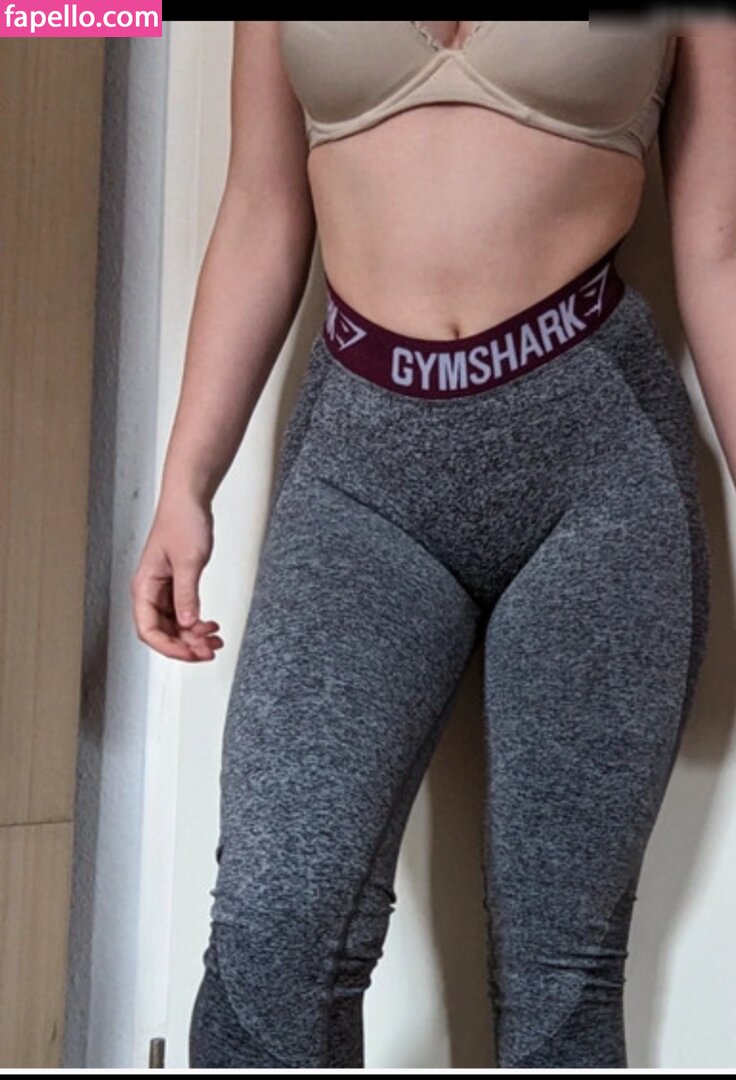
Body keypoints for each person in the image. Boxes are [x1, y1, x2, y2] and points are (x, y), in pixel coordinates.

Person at [130, 20, 736, 1069]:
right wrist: (186, 485)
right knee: (272, 935)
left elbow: (719, 249)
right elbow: (260, 206)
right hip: (360, 467)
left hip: (593, 473)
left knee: (561, 977)